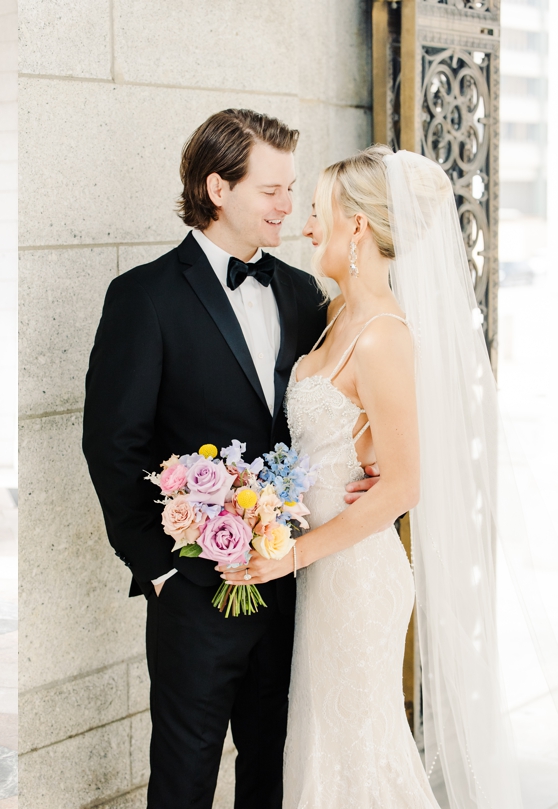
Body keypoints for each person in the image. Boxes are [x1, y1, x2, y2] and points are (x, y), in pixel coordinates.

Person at [82, 109, 376, 808]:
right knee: (184, 780)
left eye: (292, 189)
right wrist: (159, 570)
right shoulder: (142, 297)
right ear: (219, 189)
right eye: (271, 190)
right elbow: (111, 444)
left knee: (274, 772)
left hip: (296, 584)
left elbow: (337, 403)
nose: (288, 207)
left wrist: (362, 468)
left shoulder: (304, 294)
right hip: (194, 591)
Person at [229, 147, 531, 806]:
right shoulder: (338, 315)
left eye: (317, 212)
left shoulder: (384, 334)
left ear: (356, 227)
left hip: (357, 579)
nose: (307, 226)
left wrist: (293, 553)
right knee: (326, 747)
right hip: (322, 575)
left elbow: (402, 485)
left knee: (358, 751)